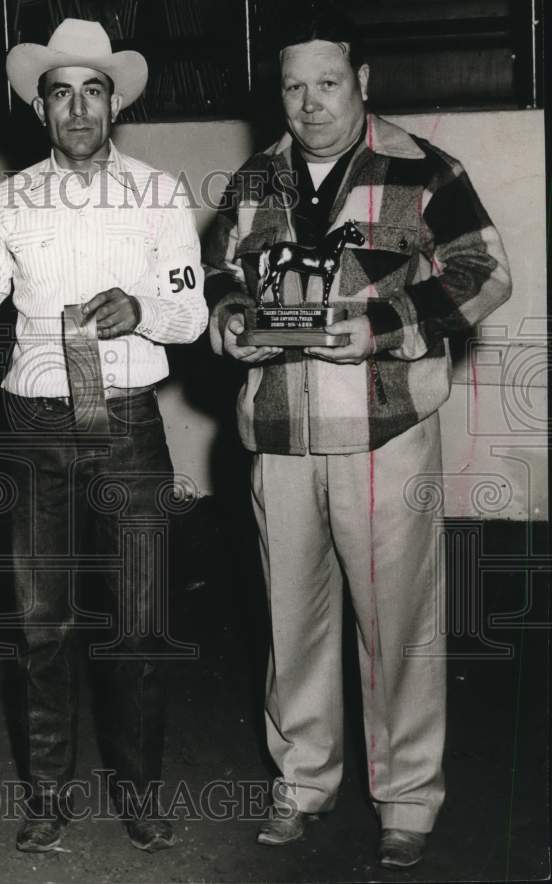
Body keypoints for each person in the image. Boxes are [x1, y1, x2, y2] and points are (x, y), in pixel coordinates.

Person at [203, 2, 511, 870]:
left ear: (363, 83)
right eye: (294, 87)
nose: (310, 103)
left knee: (399, 626)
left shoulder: (422, 167)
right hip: (278, 436)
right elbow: (223, 271)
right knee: (290, 624)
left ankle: (407, 798)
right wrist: (226, 314)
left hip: (383, 433)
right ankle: (302, 783)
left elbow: (485, 273)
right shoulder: (254, 179)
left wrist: (385, 326)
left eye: (328, 84)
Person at [0, 18, 207, 854]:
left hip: (127, 426)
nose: (77, 109)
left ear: (113, 103)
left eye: (92, 92)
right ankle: (48, 797)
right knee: (42, 626)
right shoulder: (11, 201)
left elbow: (189, 313)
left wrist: (143, 308)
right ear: (40, 109)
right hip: (35, 430)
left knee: (140, 622)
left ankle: (141, 793)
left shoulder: (158, 195)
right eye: (60, 94)